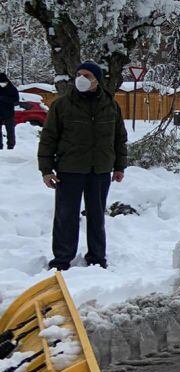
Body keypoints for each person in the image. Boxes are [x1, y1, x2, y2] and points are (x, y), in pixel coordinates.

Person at [38, 61, 128, 271]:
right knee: (65, 215)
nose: (82, 78)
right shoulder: (62, 105)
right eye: (79, 74)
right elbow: (48, 138)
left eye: (87, 75)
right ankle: (62, 259)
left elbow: (119, 138)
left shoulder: (111, 105)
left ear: (97, 80)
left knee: (97, 216)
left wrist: (119, 166)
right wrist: (46, 169)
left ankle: (97, 257)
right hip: (70, 170)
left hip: (100, 170)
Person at [0, 72, 17, 150]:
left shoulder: (12, 88)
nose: (2, 84)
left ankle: (11, 146)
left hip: (9, 113)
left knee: (10, 131)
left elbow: (16, 100)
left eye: (4, 82)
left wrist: (4, 99)